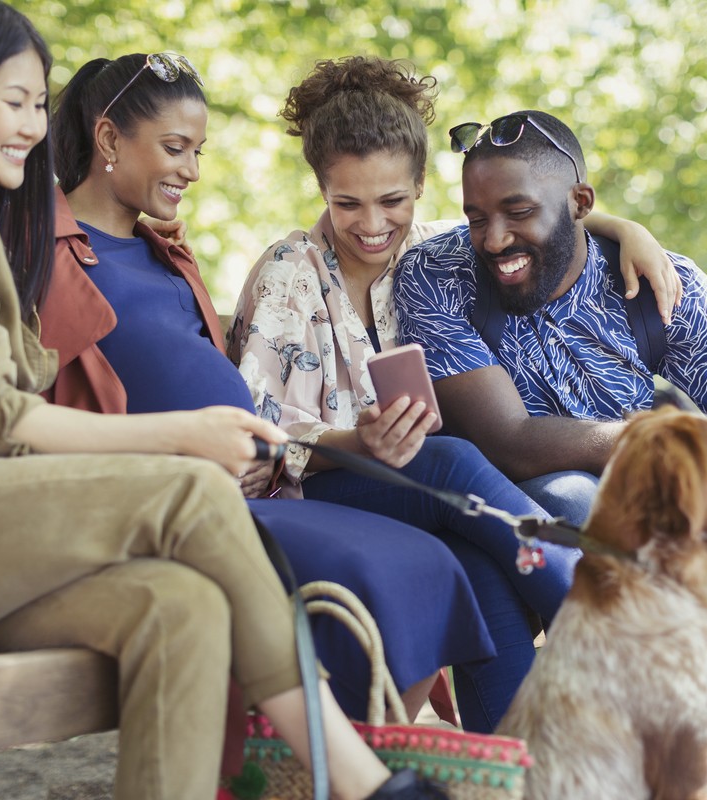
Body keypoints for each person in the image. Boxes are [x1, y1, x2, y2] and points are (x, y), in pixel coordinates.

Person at [0, 2, 447, 797]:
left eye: (41, 105)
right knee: (187, 490)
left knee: (178, 607)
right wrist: (186, 434)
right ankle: (354, 777)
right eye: (14, 101)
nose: (35, 126)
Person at [392, 109, 707, 800]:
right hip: (538, 499)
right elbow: (507, 442)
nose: (493, 237)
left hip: (655, 496)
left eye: (516, 212)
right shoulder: (437, 274)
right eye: (476, 215)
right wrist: (672, 472)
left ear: (580, 204)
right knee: (579, 498)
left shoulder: (662, 283)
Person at [226, 56, 681, 733]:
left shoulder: (442, 251)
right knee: (453, 460)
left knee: (481, 565)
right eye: (346, 203)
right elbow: (252, 440)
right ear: (320, 189)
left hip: (437, 501)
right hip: (322, 492)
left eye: (393, 202)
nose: (372, 225)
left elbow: (546, 217)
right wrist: (359, 443)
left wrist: (625, 231)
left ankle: (516, 765)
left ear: (420, 187)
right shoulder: (289, 274)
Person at [41, 51, 496, 725]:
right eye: (176, 148)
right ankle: (355, 774)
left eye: (197, 150)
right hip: (176, 498)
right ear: (108, 139)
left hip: (247, 480)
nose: (192, 170)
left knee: (427, 567)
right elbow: (32, 395)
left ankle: (363, 768)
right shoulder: (44, 250)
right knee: (402, 559)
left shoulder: (161, 251)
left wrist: (613, 225)